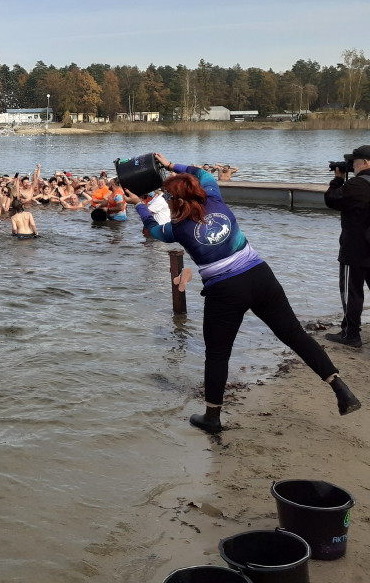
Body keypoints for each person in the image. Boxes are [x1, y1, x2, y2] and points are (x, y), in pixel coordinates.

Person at [126, 152, 360, 433]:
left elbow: (153, 230)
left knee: (217, 354)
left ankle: (212, 417)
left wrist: (139, 204)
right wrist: (169, 165)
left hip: (225, 290)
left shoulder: (177, 228)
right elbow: (204, 174)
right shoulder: (215, 198)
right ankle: (341, 389)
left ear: (174, 202)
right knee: (295, 335)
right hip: (259, 275)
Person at [324, 144, 370, 348]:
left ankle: (351, 334)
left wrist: (338, 179)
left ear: (365, 163)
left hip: (355, 250)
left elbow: (332, 199)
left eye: (355, 162)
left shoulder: (357, 185)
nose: (352, 165)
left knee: (352, 292)